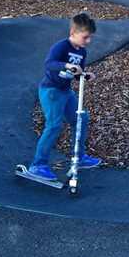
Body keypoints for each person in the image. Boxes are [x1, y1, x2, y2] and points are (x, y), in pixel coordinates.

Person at [27, 13, 101, 182]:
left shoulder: (82, 51)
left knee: (81, 118)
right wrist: (67, 65)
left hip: (66, 91)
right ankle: (38, 165)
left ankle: (79, 157)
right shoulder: (61, 46)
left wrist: (84, 75)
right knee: (54, 125)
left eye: (90, 38)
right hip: (51, 90)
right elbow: (49, 64)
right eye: (85, 37)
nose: (88, 41)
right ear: (73, 32)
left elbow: (77, 73)